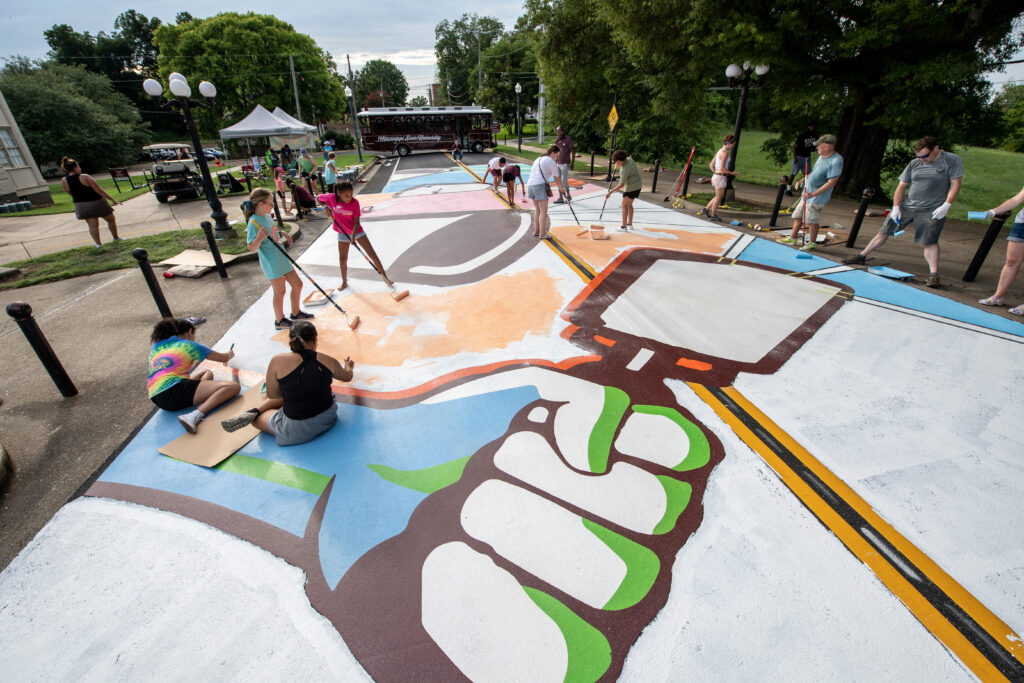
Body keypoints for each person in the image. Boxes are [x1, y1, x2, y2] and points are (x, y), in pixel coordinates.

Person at [843, 136, 963, 288]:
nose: (922, 159)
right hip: (907, 206)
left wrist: (946, 204)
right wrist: (896, 207)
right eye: (919, 156)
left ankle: (933, 275)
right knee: (884, 231)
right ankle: (862, 256)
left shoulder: (952, 160)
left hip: (932, 209)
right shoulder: (915, 163)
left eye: (925, 156)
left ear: (936, 149)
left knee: (929, 241)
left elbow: (956, 183)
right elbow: (902, 185)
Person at [221, 321, 353, 445]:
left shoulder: (278, 360)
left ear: (291, 340)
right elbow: (347, 377)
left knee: (257, 419)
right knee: (298, 392)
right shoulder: (328, 361)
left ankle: (254, 412)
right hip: (327, 417)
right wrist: (349, 367)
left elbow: (273, 395)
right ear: (315, 341)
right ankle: (254, 411)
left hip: (296, 429)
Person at [148, 316, 239, 434]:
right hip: (173, 391)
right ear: (190, 332)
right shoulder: (188, 345)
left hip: (156, 396)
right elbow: (224, 357)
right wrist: (230, 354)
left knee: (207, 372)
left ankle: (206, 396)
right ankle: (194, 415)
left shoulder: (157, 346)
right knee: (232, 387)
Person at [246, 188, 314, 329]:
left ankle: (295, 313)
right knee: (280, 291)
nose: (273, 206)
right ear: (260, 204)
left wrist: (282, 233)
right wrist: (258, 238)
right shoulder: (253, 222)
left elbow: (272, 232)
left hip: (281, 257)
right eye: (270, 203)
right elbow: (251, 247)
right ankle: (279, 320)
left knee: (297, 284)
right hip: (271, 262)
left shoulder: (266, 216)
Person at [318, 181, 393, 291]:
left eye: (351, 195)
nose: (349, 198)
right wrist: (325, 208)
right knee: (342, 259)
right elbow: (318, 198)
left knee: (372, 254)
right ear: (338, 193)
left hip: (356, 231)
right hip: (342, 232)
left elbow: (356, 222)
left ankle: (385, 277)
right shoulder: (331, 198)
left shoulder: (354, 203)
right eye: (346, 195)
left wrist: (353, 237)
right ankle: (344, 282)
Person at [778, 134, 843, 251]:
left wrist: (813, 194)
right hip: (807, 193)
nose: (817, 148)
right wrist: (803, 179)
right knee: (798, 215)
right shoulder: (821, 157)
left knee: (811, 220)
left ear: (827, 146)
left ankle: (812, 243)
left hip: (817, 197)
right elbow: (813, 172)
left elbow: (831, 182)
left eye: (819, 146)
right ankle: (792, 238)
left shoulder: (836, 160)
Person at [977, 185, 1024, 316]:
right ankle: (998, 296)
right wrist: (992, 212)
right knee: (1011, 261)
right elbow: (1016, 199)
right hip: (1022, 223)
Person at [59, 156, 121, 248]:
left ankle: (98, 244)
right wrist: (113, 200)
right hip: (96, 202)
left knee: (93, 225)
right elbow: (99, 190)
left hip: (81, 206)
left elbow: (69, 192)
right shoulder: (85, 177)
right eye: (78, 166)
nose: (80, 168)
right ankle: (115, 238)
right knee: (111, 220)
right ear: (75, 167)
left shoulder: (64, 180)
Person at [526, 145, 565, 240]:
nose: (557, 158)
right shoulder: (551, 162)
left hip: (530, 185)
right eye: (557, 155)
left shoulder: (538, 158)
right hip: (539, 185)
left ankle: (536, 231)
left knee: (537, 210)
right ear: (552, 153)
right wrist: (561, 189)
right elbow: (557, 178)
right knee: (543, 211)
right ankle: (542, 234)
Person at [606, 150, 642, 231]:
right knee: (629, 205)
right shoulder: (629, 159)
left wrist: (610, 192)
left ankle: (623, 226)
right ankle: (629, 224)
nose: (617, 164)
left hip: (631, 188)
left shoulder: (624, 169)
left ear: (620, 161)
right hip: (638, 186)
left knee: (624, 205)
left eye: (617, 163)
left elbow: (621, 184)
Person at [704, 135, 738, 222]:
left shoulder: (720, 151)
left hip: (717, 176)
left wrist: (715, 172)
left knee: (719, 196)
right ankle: (713, 215)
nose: (734, 145)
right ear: (729, 143)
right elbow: (722, 168)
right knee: (719, 197)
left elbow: (711, 165)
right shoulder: (725, 153)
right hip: (720, 177)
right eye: (733, 143)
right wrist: (732, 173)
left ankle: (706, 209)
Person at [787, 124, 817, 196]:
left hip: (807, 157)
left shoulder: (816, 136)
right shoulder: (803, 135)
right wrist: (795, 157)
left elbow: (812, 147)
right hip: (799, 156)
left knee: (807, 174)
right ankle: (788, 189)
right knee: (793, 173)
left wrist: (814, 149)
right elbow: (794, 147)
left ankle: (806, 190)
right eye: (812, 126)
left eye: (814, 126)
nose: (813, 128)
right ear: (809, 126)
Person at [553, 126, 575, 204]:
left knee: (564, 181)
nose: (559, 133)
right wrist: (555, 160)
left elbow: (573, 150)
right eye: (558, 132)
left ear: (563, 131)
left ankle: (568, 196)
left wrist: (572, 163)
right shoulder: (558, 139)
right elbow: (555, 150)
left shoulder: (568, 139)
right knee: (558, 181)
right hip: (558, 163)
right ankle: (560, 198)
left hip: (565, 163)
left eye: (560, 131)